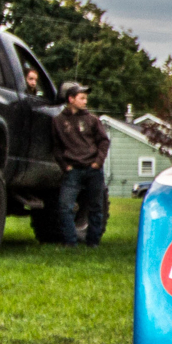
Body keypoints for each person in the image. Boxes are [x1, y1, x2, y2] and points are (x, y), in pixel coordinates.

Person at [52, 81, 110, 247]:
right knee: (65, 207)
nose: (85, 101)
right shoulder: (58, 121)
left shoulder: (92, 120)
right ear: (71, 99)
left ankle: (93, 242)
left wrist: (98, 163)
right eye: (82, 98)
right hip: (73, 170)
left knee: (96, 207)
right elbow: (56, 147)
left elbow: (103, 141)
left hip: (93, 169)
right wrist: (65, 166)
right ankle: (70, 242)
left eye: (86, 98)